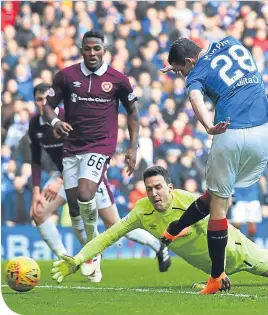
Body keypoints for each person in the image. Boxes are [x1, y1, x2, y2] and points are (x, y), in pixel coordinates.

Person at [160, 36, 268, 294]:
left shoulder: (194, 75)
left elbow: (196, 98)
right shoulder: (230, 41)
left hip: (229, 133)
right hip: (262, 131)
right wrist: (177, 66)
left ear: (190, 61)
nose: (181, 74)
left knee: (219, 207)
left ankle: (216, 276)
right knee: (216, 194)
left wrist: (208, 125)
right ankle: (175, 229)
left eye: (180, 69)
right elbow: (200, 49)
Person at [31, 84, 170, 281]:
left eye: (47, 99)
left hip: (89, 174)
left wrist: (59, 179)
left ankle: (157, 245)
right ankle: (68, 259)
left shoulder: (67, 117)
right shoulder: (35, 125)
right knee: (38, 213)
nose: (43, 103)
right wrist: (37, 190)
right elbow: (35, 160)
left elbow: (85, 151)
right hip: (65, 177)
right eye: (39, 99)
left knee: (114, 224)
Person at [51, 166, 268, 286]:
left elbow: (217, 233)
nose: (154, 193)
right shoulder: (142, 210)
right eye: (149, 189)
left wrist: (216, 276)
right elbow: (108, 236)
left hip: (238, 252)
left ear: (170, 187)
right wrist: (79, 259)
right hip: (214, 269)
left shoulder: (189, 203)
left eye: (158, 187)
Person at [43, 30, 140, 279]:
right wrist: (55, 123)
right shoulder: (66, 76)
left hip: (101, 144)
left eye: (97, 48)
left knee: (87, 193)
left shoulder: (117, 79)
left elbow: (133, 112)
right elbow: (48, 107)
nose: (92, 53)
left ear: (104, 50)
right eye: (88, 48)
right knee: (74, 206)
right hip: (72, 146)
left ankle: (91, 250)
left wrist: (133, 147)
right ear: (81, 50)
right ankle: (91, 253)